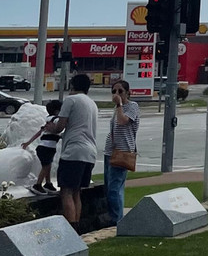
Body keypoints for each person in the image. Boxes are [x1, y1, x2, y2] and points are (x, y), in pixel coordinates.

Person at [54, 73, 99, 229]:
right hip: (90, 153)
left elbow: (60, 126)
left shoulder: (70, 100)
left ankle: (71, 228)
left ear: (72, 86)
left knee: (66, 191)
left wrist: (50, 129)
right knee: (76, 192)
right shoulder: (92, 104)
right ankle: (77, 226)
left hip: (73, 152)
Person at [104, 79, 139, 226]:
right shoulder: (116, 108)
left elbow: (123, 121)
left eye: (120, 91)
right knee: (111, 187)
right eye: (114, 91)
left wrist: (119, 104)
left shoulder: (132, 106)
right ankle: (117, 216)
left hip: (123, 151)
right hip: (110, 151)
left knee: (114, 188)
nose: (116, 94)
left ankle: (116, 220)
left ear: (127, 92)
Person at [22, 99, 63, 194]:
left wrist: (28, 142)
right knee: (46, 166)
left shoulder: (48, 119)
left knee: (48, 164)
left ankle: (48, 183)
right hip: (47, 148)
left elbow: (39, 132)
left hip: (45, 148)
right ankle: (38, 184)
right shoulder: (55, 119)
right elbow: (63, 125)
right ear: (57, 111)